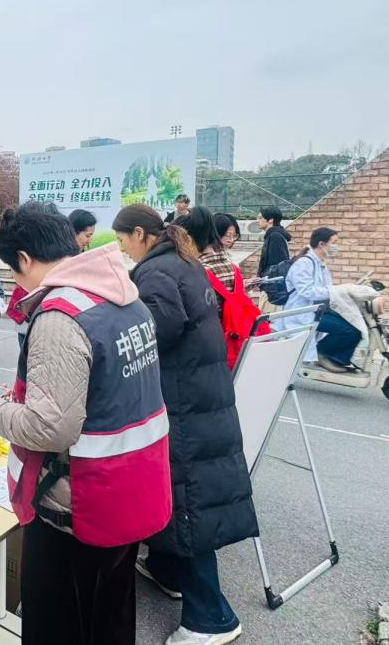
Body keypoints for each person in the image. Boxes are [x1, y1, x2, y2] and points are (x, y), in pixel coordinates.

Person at [0, 202, 171, 645]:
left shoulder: (61, 315)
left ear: (24, 259)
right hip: (131, 488)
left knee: (58, 624)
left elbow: (50, 428)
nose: (18, 283)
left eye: (14, 272)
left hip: (78, 506)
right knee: (110, 615)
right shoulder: (122, 295)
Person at [113, 204, 257, 645]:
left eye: (122, 241)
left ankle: (211, 619)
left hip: (183, 406)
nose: (123, 250)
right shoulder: (182, 262)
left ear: (140, 234)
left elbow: (154, 331)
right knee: (174, 498)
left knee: (186, 505)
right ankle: (166, 568)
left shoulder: (156, 272)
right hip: (199, 397)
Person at [283, 228, 360, 372]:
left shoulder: (320, 263)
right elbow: (306, 291)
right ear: (321, 244)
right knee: (348, 330)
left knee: (355, 326)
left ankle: (336, 358)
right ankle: (324, 354)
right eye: (334, 242)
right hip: (303, 311)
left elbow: (326, 288)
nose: (336, 246)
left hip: (318, 309)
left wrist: (342, 292)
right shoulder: (304, 263)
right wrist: (335, 291)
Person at [175, 207, 241, 295]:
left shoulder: (198, 269)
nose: (231, 240)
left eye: (234, 236)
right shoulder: (229, 265)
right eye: (227, 235)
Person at [255, 207, 290, 277]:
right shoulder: (272, 235)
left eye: (260, 218)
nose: (257, 221)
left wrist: (264, 278)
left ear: (271, 220)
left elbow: (278, 266)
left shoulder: (275, 237)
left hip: (272, 282)